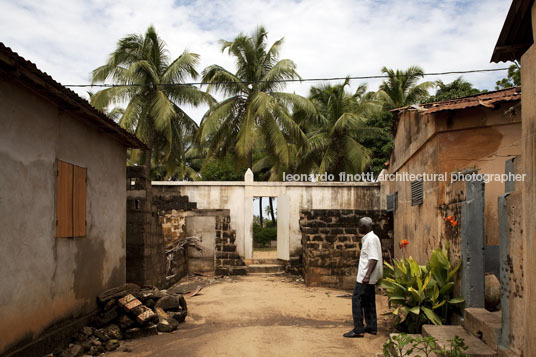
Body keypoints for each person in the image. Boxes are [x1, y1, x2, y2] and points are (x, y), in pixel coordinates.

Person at [343, 217, 383, 338]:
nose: (358, 227)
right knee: (369, 301)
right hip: (369, 277)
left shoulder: (370, 240)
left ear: (365, 227)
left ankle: (358, 329)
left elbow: (373, 258)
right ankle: (371, 327)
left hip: (365, 278)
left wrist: (366, 276)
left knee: (357, 301)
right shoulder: (372, 237)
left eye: (360, 225)